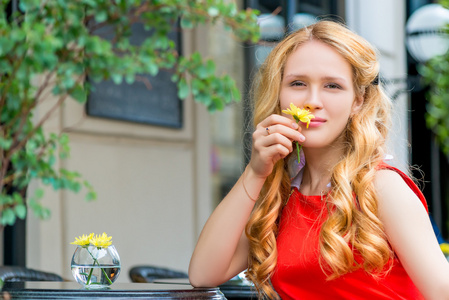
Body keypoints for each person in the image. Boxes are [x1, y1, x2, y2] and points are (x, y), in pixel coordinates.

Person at [188, 20, 449, 299]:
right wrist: (255, 172)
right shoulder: (282, 197)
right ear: (279, 94)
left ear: (358, 100)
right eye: (298, 83)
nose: (312, 100)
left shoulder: (382, 187)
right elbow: (204, 274)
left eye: (332, 86)